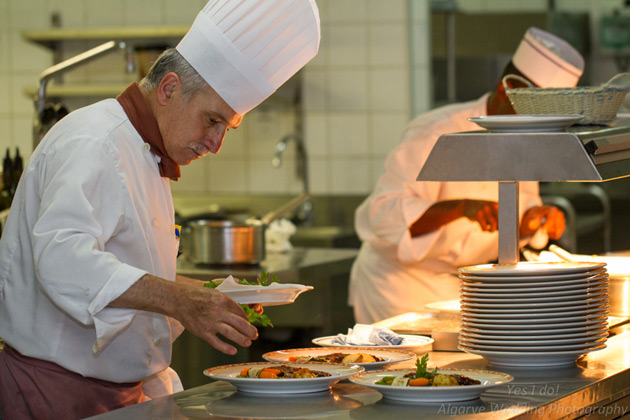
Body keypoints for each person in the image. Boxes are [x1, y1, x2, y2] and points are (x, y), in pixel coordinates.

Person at [0, 0, 320, 418]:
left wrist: (214, 296)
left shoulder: (148, 154)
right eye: (212, 120)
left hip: (117, 394)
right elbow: (62, 259)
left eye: (227, 128)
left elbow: (126, 271)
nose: (216, 143)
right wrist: (179, 300)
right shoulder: (95, 142)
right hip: (55, 394)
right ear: (169, 89)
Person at [348, 27, 583, 324]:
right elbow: (381, 216)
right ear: (504, 90)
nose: (536, 125)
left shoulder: (525, 138)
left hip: (463, 289)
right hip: (400, 290)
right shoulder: (436, 132)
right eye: (532, 110)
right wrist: (461, 208)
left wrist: (534, 220)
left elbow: (520, 216)